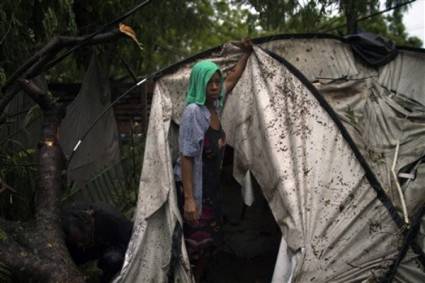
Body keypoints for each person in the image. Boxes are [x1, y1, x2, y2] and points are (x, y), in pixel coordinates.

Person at [174, 39, 253, 282]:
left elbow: (233, 79)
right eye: (210, 82)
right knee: (195, 244)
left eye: (217, 82)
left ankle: (199, 277)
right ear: (200, 82)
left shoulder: (214, 107)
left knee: (209, 242)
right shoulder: (193, 113)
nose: (216, 86)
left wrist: (247, 54)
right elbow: (187, 158)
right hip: (195, 190)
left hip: (211, 188)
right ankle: (190, 278)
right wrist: (189, 199)